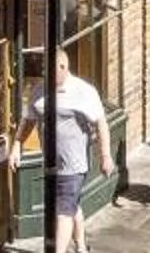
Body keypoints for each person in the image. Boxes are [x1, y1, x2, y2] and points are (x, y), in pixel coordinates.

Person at [24, 52, 109, 252]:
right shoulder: (39, 91)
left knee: (63, 212)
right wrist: (16, 146)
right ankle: (81, 246)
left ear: (64, 66)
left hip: (74, 164)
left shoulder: (84, 91)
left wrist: (105, 155)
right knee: (71, 205)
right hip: (51, 164)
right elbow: (29, 120)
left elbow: (101, 123)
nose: (47, 76)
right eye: (45, 71)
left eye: (51, 71)